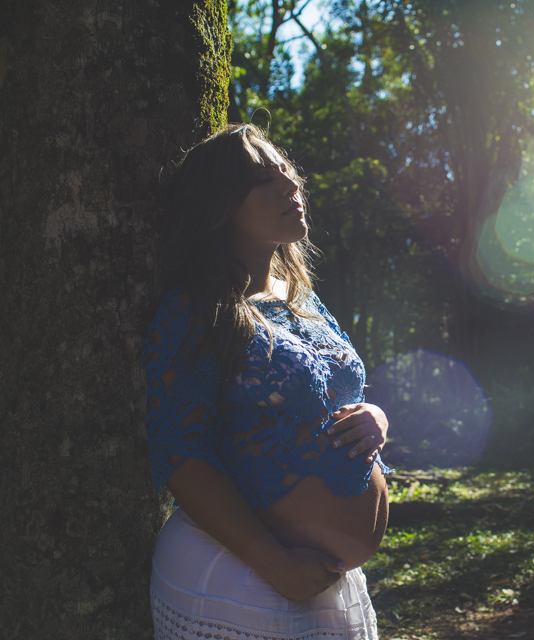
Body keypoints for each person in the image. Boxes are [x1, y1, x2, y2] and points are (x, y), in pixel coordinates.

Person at [144, 123, 391, 640]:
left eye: (286, 169)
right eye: (263, 176)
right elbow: (180, 453)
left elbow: (339, 392)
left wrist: (376, 418)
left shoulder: (301, 298)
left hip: (319, 582)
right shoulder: (196, 309)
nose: (290, 184)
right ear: (219, 204)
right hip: (239, 575)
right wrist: (273, 562)